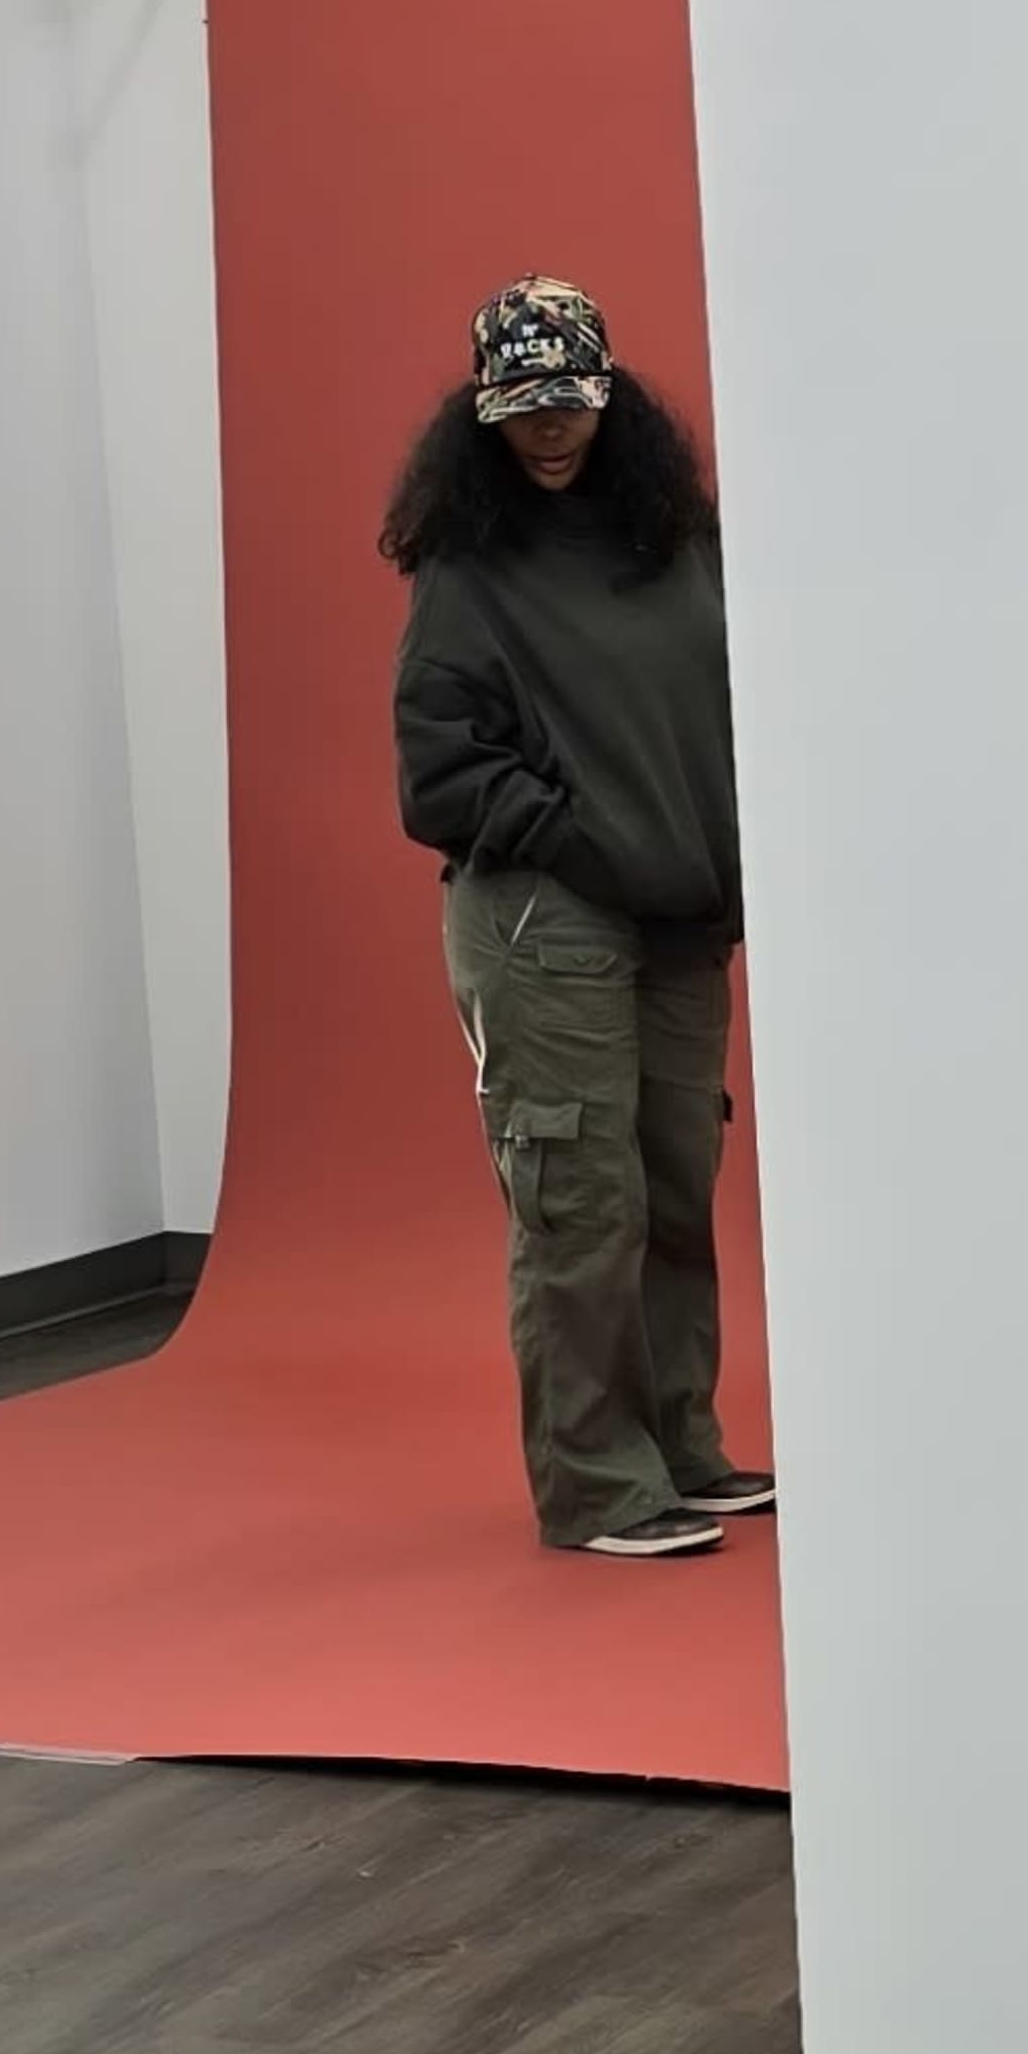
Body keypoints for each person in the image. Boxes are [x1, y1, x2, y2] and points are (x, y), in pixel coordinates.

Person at [384, 274, 768, 1561]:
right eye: (520, 409)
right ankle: (599, 1483)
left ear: (609, 398)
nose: (547, 430)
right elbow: (439, 770)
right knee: (580, 1201)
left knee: (674, 1181)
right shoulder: (469, 568)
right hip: (547, 921)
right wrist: (590, 840)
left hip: (683, 919)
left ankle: (681, 1443)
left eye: (568, 402)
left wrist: (715, 863)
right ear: (481, 419)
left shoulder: (681, 542)